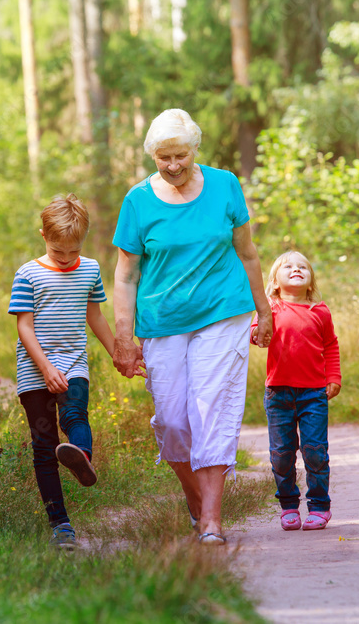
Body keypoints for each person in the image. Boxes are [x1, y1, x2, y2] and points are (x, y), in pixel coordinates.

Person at [112, 108, 273, 546]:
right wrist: (122, 337)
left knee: (210, 409)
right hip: (161, 323)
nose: (172, 166)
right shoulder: (138, 201)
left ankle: (212, 522)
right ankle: (196, 499)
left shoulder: (224, 185)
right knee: (172, 420)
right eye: (163, 158)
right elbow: (125, 275)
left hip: (224, 312)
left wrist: (265, 310)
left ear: (194, 149)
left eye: (179, 156)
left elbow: (249, 252)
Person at [8, 194, 116, 550]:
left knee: (75, 413)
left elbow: (95, 316)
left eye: (73, 250)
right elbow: (24, 327)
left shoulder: (90, 269)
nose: (68, 258)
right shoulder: (28, 274)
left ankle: (81, 457)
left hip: (73, 362)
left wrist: (118, 352)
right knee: (44, 447)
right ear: (43, 236)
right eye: (59, 252)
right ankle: (61, 525)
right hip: (34, 369)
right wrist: (44, 367)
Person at [250, 250, 341, 531]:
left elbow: (330, 346)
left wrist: (333, 375)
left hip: (313, 393)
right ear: (275, 281)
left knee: (314, 451)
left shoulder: (319, 311)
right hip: (278, 393)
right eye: (288, 266)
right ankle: (289, 505)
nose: (296, 269)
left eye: (303, 266)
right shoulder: (270, 307)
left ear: (310, 280)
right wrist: (256, 332)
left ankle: (319, 506)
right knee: (282, 453)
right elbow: (256, 332)